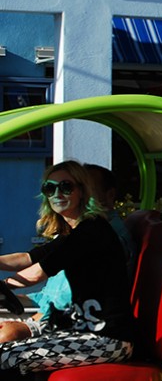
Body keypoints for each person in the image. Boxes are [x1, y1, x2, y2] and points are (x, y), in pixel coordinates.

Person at [0, 161, 135, 377]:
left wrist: (4, 286)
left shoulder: (92, 230)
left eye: (65, 187)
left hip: (108, 339)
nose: (57, 194)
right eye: (50, 188)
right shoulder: (73, 233)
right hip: (81, 332)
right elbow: (27, 258)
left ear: (81, 191)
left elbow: (37, 272)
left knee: (7, 357)